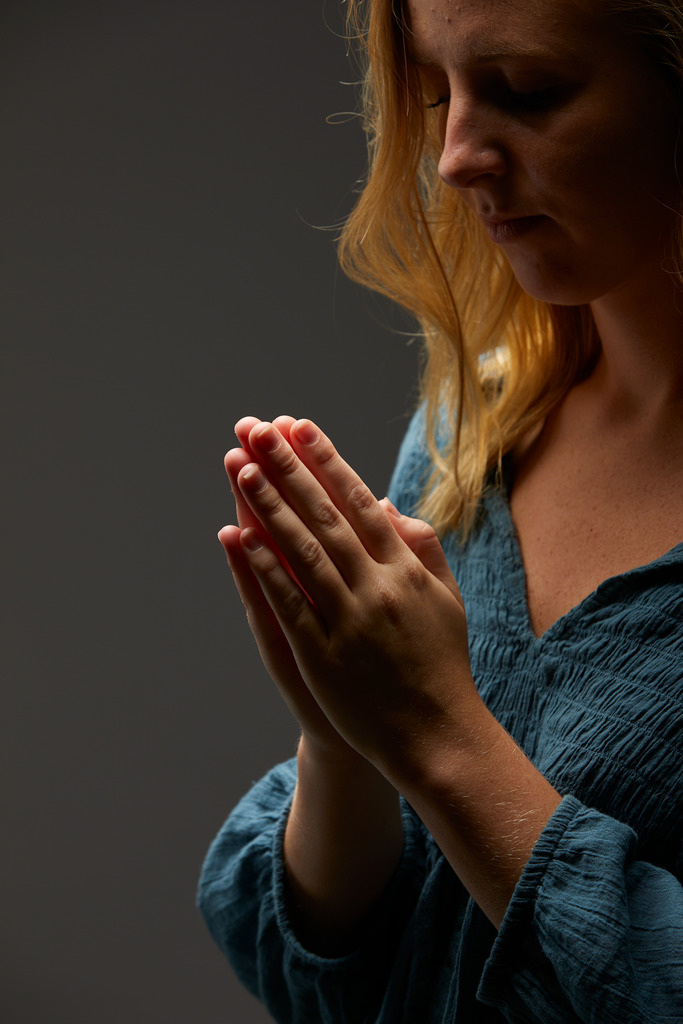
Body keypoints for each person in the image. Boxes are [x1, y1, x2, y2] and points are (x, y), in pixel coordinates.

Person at [198, 0, 683, 1020]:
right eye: (434, 91)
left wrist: (439, 735)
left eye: (525, 91)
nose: (454, 155)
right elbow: (346, 977)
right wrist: (343, 740)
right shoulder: (477, 426)